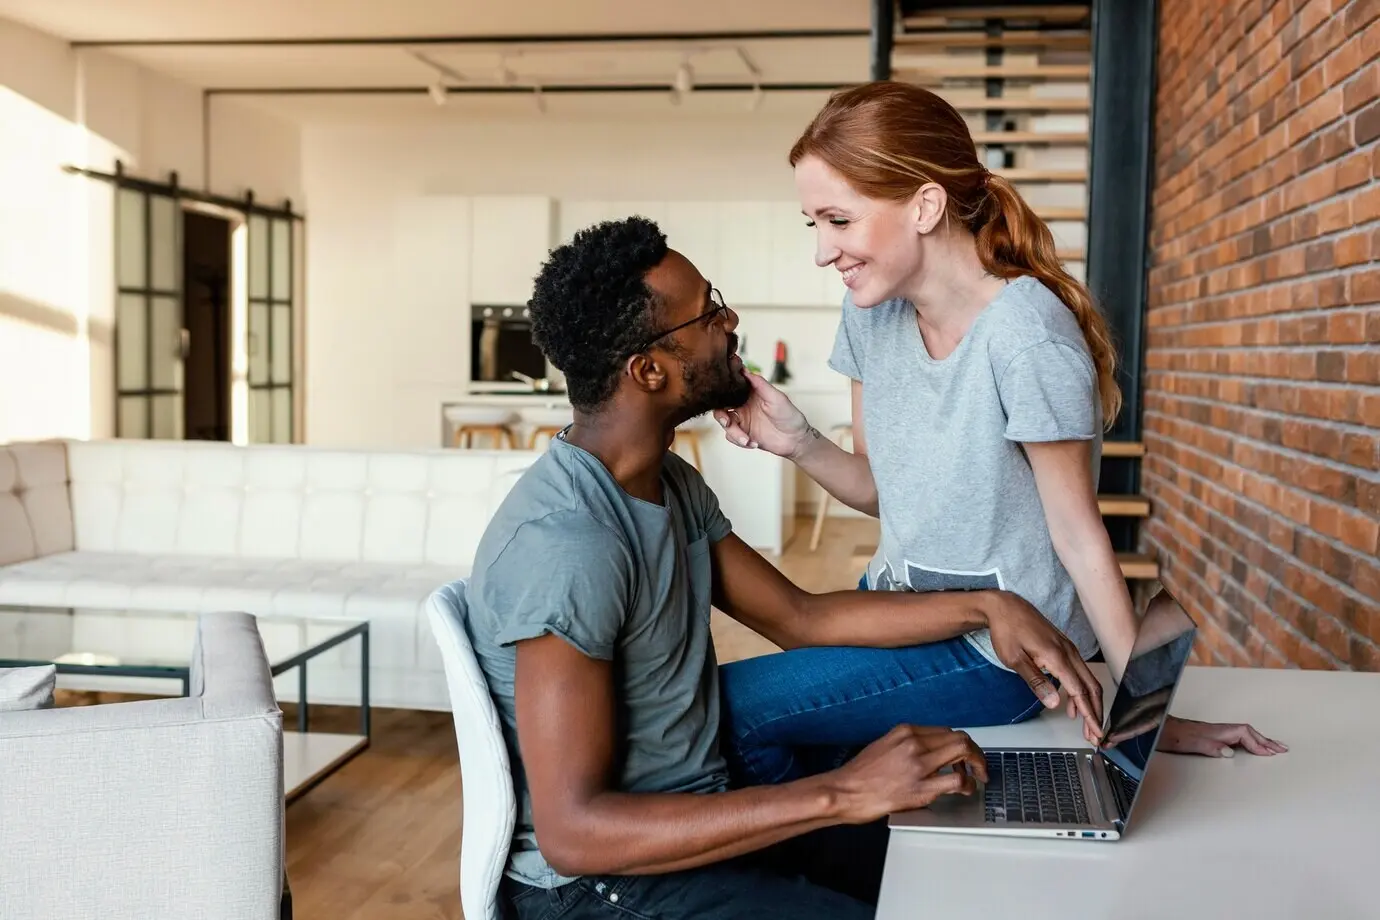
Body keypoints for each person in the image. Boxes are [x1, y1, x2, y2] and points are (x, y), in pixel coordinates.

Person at [463, 216, 1109, 919]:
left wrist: (988, 607)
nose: (729, 318)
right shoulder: (568, 543)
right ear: (649, 370)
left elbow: (802, 617)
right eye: (708, 312)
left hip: (697, 821)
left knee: (957, 878)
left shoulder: (665, 484)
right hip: (607, 887)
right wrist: (844, 793)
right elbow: (574, 834)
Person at [712, 80, 1287, 759]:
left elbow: (1080, 539)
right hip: (900, 606)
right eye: (816, 224)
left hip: (1002, 653)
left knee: (728, 715)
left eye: (840, 221)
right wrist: (798, 443)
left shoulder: (1028, 337)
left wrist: (1149, 717)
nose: (822, 250)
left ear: (925, 205)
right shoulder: (870, 312)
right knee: (739, 724)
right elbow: (880, 491)